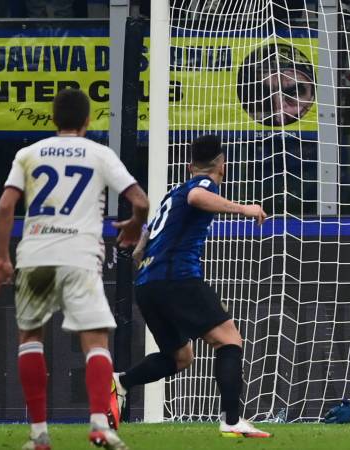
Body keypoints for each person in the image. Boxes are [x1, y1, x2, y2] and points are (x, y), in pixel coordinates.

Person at [0, 88, 149, 450]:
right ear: (88, 121)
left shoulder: (28, 154)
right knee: (95, 342)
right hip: (79, 256)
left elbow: (4, 207)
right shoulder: (99, 153)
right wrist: (135, 225)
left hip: (35, 256)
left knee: (30, 340)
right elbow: (140, 201)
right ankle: (98, 425)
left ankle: (39, 434)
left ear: (54, 119)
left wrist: (1, 257)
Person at [109, 134, 271, 438]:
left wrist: (145, 256)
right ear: (222, 165)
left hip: (147, 284)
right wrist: (245, 209)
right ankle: (233, 420)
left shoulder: (173, 194)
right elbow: (199, 196)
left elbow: (142, 248)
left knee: (181, 357)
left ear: (188, 166)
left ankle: (122, 382)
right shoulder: (203, 185)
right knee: (229, 340)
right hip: (177, 278)